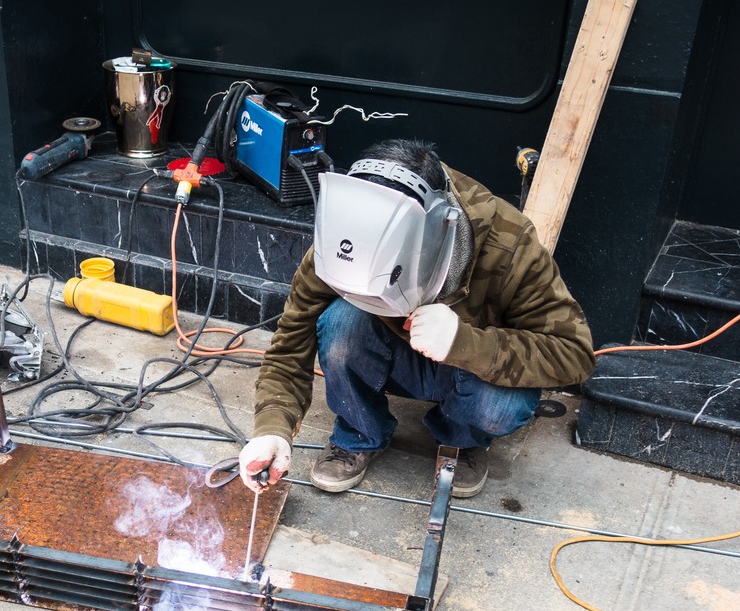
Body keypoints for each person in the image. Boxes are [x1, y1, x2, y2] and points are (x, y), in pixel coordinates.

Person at [237, 139, 595, 499]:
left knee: (502, 406)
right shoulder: (340, 243)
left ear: (438, 230)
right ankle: (359, 433)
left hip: (470, 371)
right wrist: (272, 430)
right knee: (342, 321)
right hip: (395, 353)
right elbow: (289, 348)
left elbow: (574, 354)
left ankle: (460, 439)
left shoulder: (510, 244)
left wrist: (465, 343)